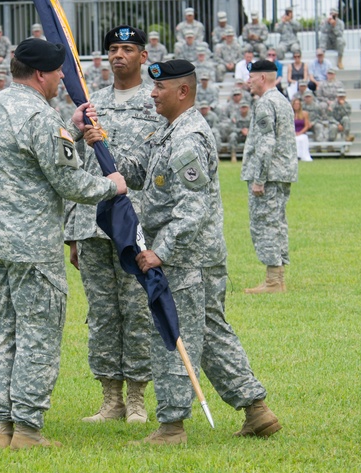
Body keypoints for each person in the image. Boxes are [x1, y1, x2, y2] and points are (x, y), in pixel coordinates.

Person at [83, 59, 279, 445]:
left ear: (183, 92)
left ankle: (171, 426)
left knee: (172, 335)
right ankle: (256, 410)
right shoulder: (169, 130)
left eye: (160, 89)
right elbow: (138, 172)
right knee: (210, 332)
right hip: (191, 255)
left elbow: (193, 209)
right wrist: (101, 146)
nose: (151, 93)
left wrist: (162, 252)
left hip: (187, 257)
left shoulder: (188, 137)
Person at [0, 38, 126, 450]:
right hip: (31, 245)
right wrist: (110, 185)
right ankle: (28, 429)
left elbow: (26, 162)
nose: (62, 77)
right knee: (38, 334)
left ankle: (1, 427)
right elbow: (70, 182)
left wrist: (70, 131)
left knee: (1, 332)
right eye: (58, 72)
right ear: (40, 74)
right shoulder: (41, 117)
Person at [67, 26, 159, 426]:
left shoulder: (155, 103)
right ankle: (110, 399)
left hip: (135, 224)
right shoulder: (91, 104)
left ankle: (137, 398)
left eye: (127, 49)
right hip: (92, 224)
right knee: (102, 313)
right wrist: (72, 232)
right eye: (112, 50)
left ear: (143, 56)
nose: (118, 55)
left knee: (137, 309)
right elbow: (75, 166)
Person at [241, 59, 298, 294]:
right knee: (277, 223)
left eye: (252, 77)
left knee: (264, 225)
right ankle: (277, 278)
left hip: (270, 174)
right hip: (282, 172)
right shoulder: (282, 100)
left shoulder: (265, 103)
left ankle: (273, 281)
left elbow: (266, 143)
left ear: (262, 78)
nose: (249, 81)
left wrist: (259, 178)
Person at [291, 97, 313, 162]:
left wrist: (300, 133)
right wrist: (294, 133)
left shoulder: (304, 114)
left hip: (302, 132)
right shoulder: (290, 114)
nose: (296, 105)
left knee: (303, 138)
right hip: (293, 133)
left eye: (298, 104)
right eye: (295, 104)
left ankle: (303, 156)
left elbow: (306, 126)